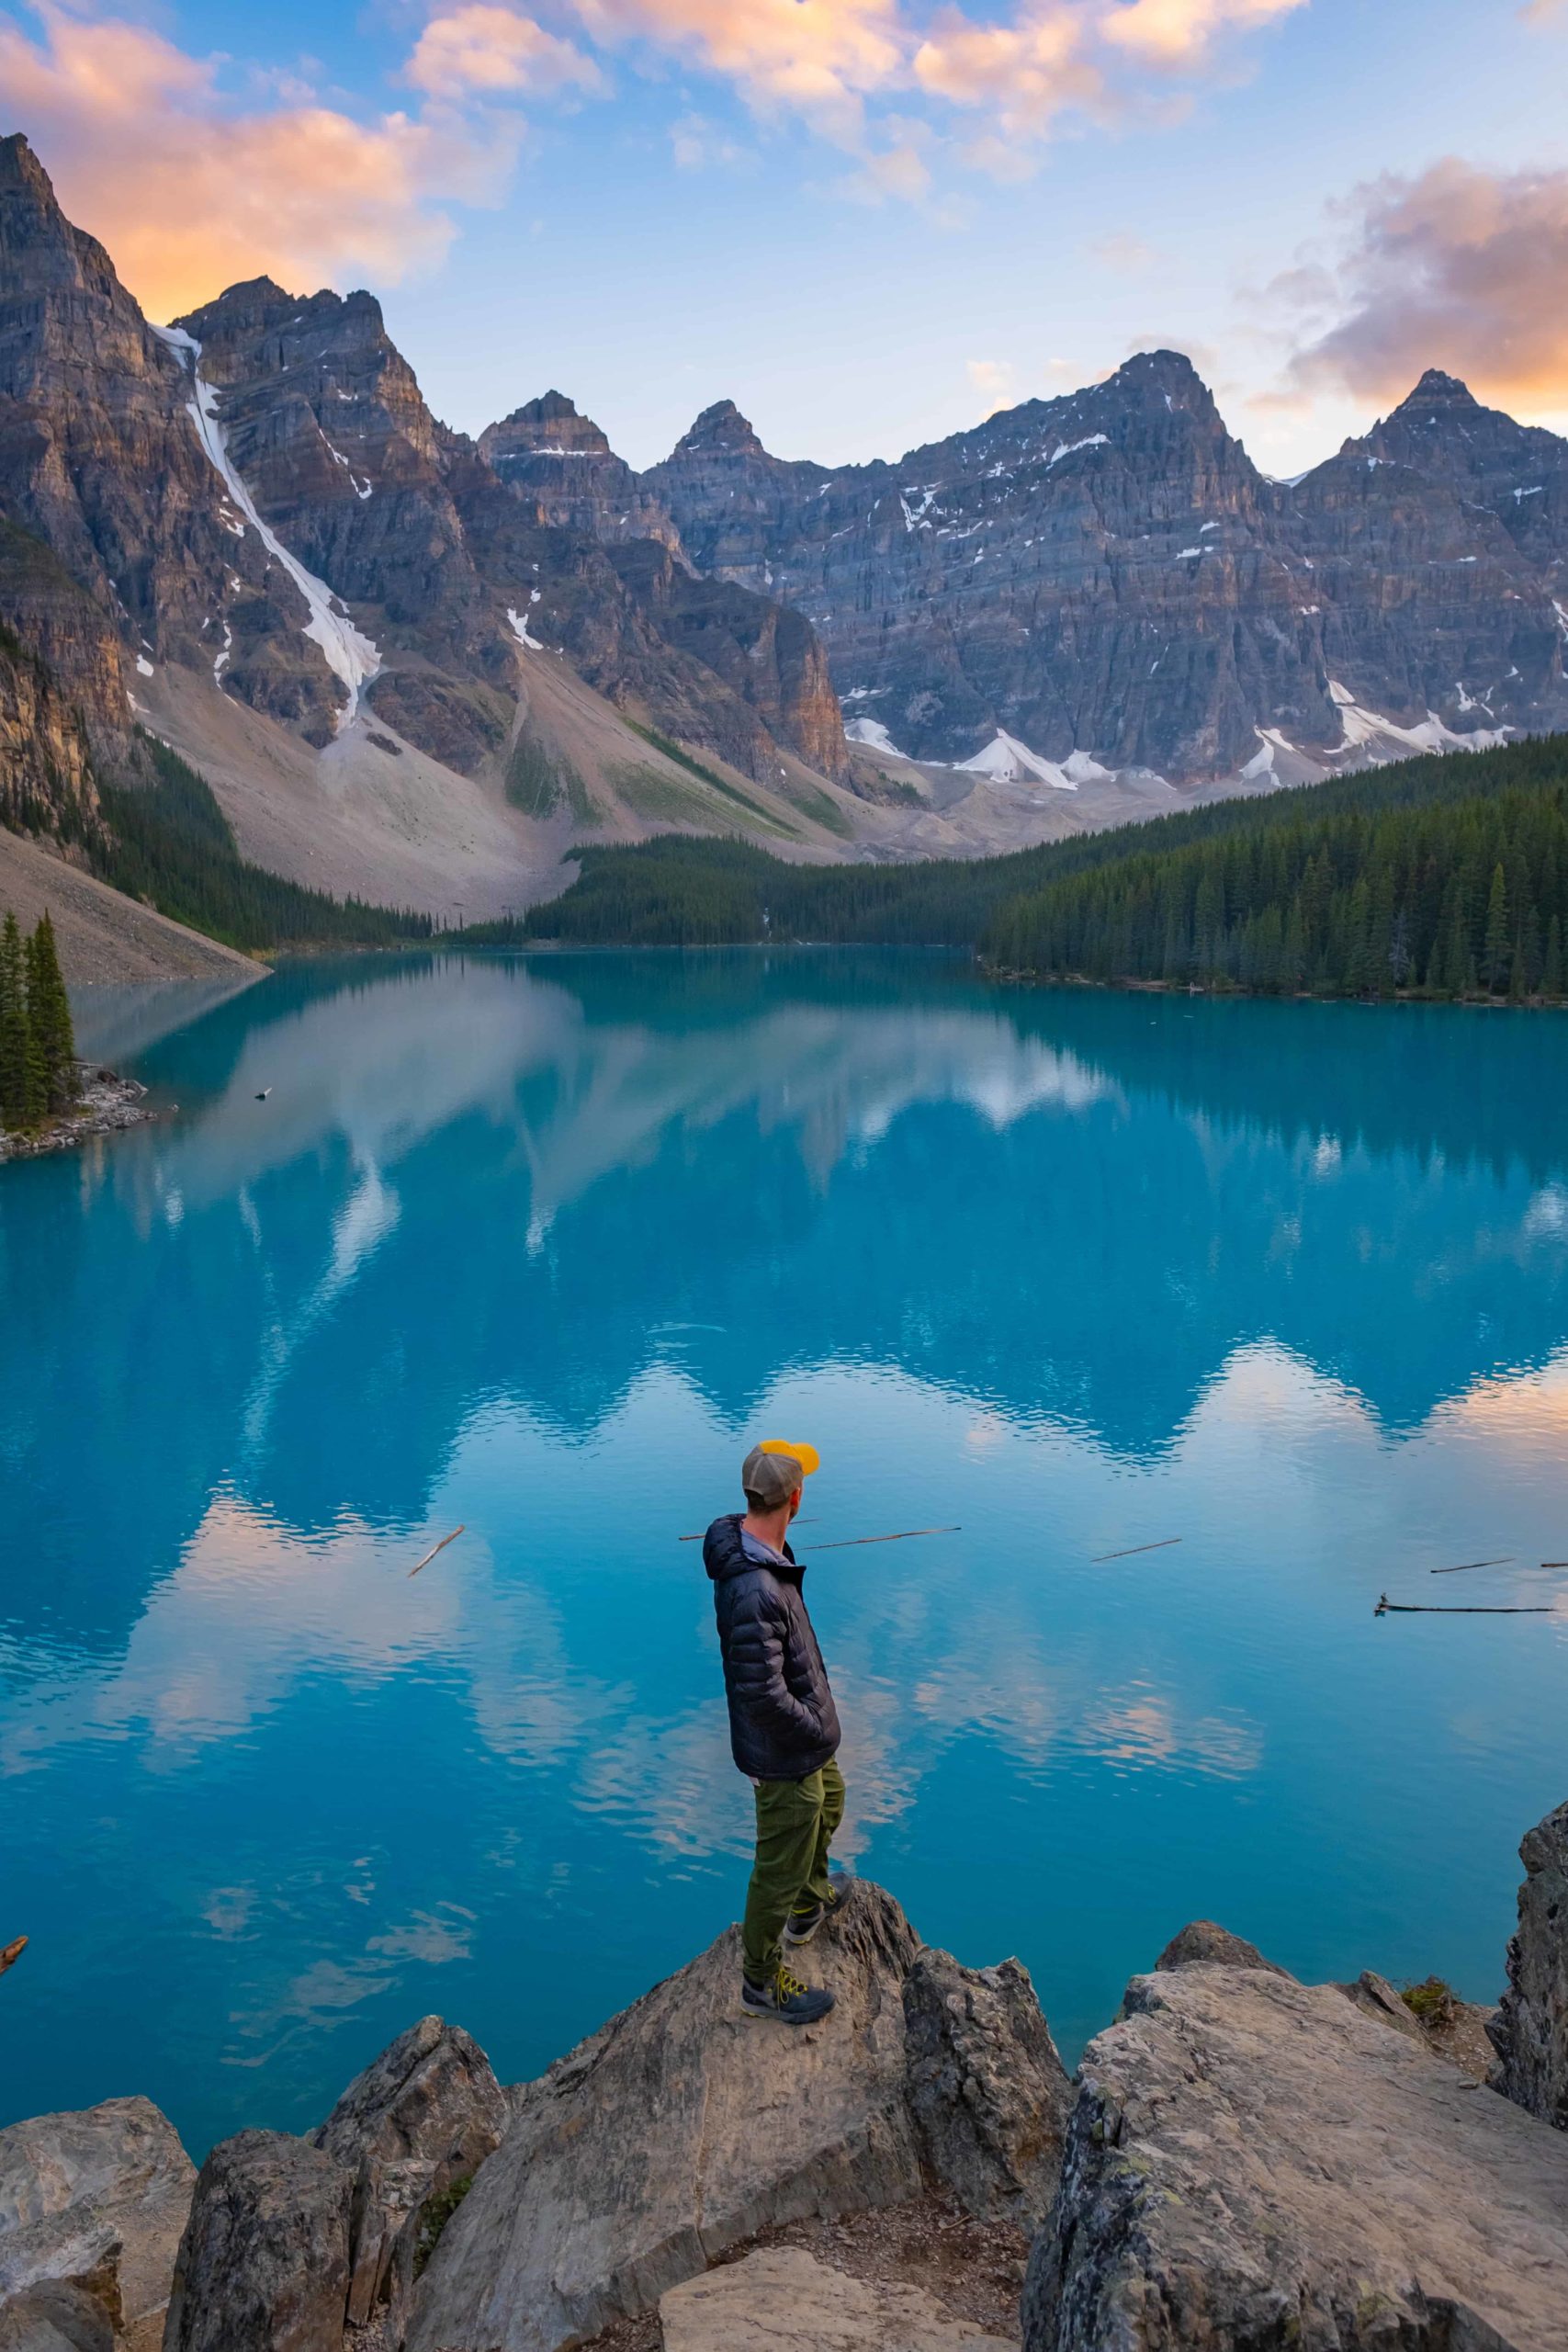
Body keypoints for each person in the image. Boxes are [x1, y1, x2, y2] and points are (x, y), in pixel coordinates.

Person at [704, 1441, 847, 2024]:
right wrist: (813, 1725)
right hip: (785, 1750)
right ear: (796, 1496)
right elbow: (762, 1693)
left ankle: (809, 1903)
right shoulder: (754, 1588)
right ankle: (760, 1982)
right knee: (777, 1865)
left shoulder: (765, 1550)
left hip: (803, 1742)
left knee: (830, 1801)